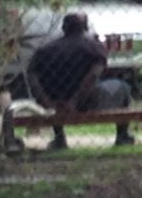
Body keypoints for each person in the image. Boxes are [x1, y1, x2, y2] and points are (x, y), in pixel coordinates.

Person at [27, 12, 135, 150]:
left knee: (60, 85)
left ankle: (59, 138)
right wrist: (75, 101)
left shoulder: (45, 50)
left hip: (54, 100)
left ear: (63, 28)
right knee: (123, 86)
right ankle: (122, 135)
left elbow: (32, 76)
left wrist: (46, 101)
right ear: (86, 27)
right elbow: (93, 76)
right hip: (88, 101)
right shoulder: (93, 47)